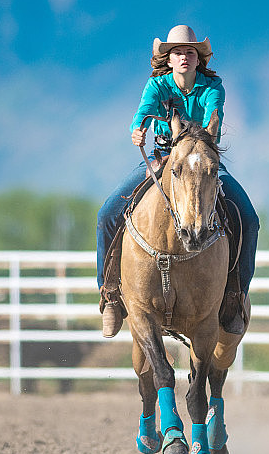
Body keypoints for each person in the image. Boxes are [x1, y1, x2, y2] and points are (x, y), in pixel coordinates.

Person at [96, 24, 260, 337]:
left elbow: (213, 121)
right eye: (178, 52)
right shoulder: (157, 85)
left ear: (199, 59)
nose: (184, 57)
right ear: (168, 59)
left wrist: (200, 146)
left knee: (249, 220)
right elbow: (143, 113)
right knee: (107, 214)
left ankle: (235, 295)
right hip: (162, 158)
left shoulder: (213, 88)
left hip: (203, 161)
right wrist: (138, 129)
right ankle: (111, 295)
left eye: (190, 52)